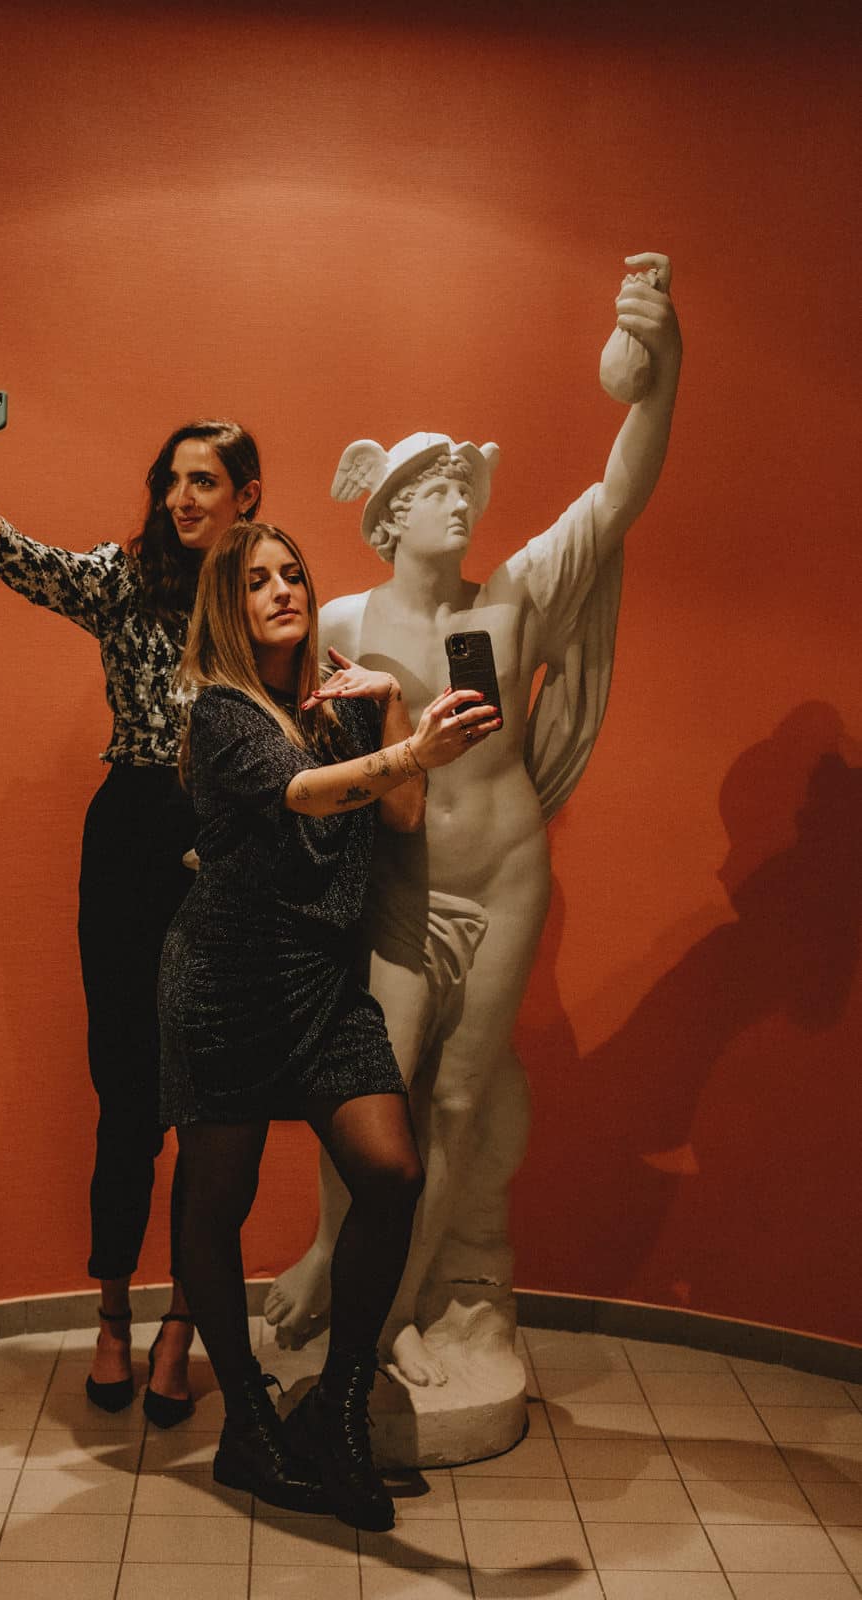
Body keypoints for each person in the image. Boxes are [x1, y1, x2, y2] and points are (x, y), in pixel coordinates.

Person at [265, 253, 683, 1391]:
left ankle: (396, 1311)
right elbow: (283, 746)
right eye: (439, 489)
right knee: (370, 1097)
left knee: (457, 1101)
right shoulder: (340, 620)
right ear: (392, 514)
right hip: (398, 893)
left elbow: (616, 497)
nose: (462, 501)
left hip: (502, 883)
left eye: (465, 486)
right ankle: (330, 1255)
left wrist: (660, 371)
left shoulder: (516, 597)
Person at [0, 406, 261, 1421]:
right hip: (130, 838)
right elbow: (31, 564)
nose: (180, 498)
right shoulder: (125, 578)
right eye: (171, 480)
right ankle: (113, 1316)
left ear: (245, 495)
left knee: (211, 1104)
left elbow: (308, 688)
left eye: (202, 481)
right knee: (126, 1090)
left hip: (228, 839)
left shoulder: (261, 589)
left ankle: (183, 1325)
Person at [157, 519, 498, 1528]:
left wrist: (387, 707)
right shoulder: (222, 710)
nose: (281, 591)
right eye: (255, 581)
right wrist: (411, 745)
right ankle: (247, 1425)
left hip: (319, 978)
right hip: (225, 979)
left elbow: (399, 816)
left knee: (390, 1171)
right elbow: (304, 796)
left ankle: (337, 1405)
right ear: (227, 607)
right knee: (215, 1200)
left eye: (291, 575)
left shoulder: (340, 705)